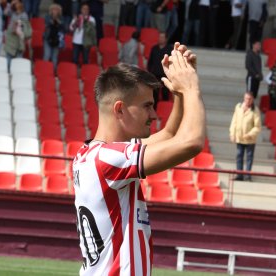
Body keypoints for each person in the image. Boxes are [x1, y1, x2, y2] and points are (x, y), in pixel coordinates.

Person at [73, 42, 205, 275]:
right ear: (120, 109)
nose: (154, 115)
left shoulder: (92, 154)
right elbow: (190, 142)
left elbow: (169, 135)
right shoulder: (109, 159)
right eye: (147, 106)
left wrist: (179, 93)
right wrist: (192, 88)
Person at [229, 91, 261, 181]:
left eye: (250, 99)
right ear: (244, 98)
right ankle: (239, 174)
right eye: (246, 98)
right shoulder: (238, 107)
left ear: (252, 100)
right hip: (239, 137)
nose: (248, 100)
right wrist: (232, 133)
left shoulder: (255, 110)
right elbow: (234, 121)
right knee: (239, 156)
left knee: (249, 157)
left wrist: (250, 134)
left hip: (250, 139)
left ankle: (247, 175)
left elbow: (257, 126)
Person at [4, 2, 32, 71]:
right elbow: (5, 13)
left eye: (18, 8)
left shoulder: (24, 15)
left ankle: (16, 73)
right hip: (11, 39)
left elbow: (25, 27)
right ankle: (8, 73)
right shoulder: (13, 13)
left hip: (19, 41)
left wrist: (19, 29)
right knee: (8, 59)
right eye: (15, 8)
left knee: (18, 60)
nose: (17, 10)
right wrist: (10, 4)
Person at [147, 32, 172, 105]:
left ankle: (164, 109)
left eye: (162, 37)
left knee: (165, 94)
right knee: (154, 94)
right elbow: (150, 62)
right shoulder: (154, 48)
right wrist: (150, 71)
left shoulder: (170, 49)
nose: (160, 39)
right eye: (159, 37)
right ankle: (154, 111)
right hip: (155, 75)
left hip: (165, 75)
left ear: (166, 39)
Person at [43, 4, 65, 69]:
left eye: (56, 10)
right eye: (53, 9)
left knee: (54, 57)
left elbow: (64, 28)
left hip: (57, 40)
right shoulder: (47, 16)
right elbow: (47, 24)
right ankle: (44, 70)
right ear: (51, 10)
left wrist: (58, 21)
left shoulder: (62, 18)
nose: (55, 11)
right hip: (48, 38)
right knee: (47, 55)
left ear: (59, 11)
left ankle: (52, 72)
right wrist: (53, 19)